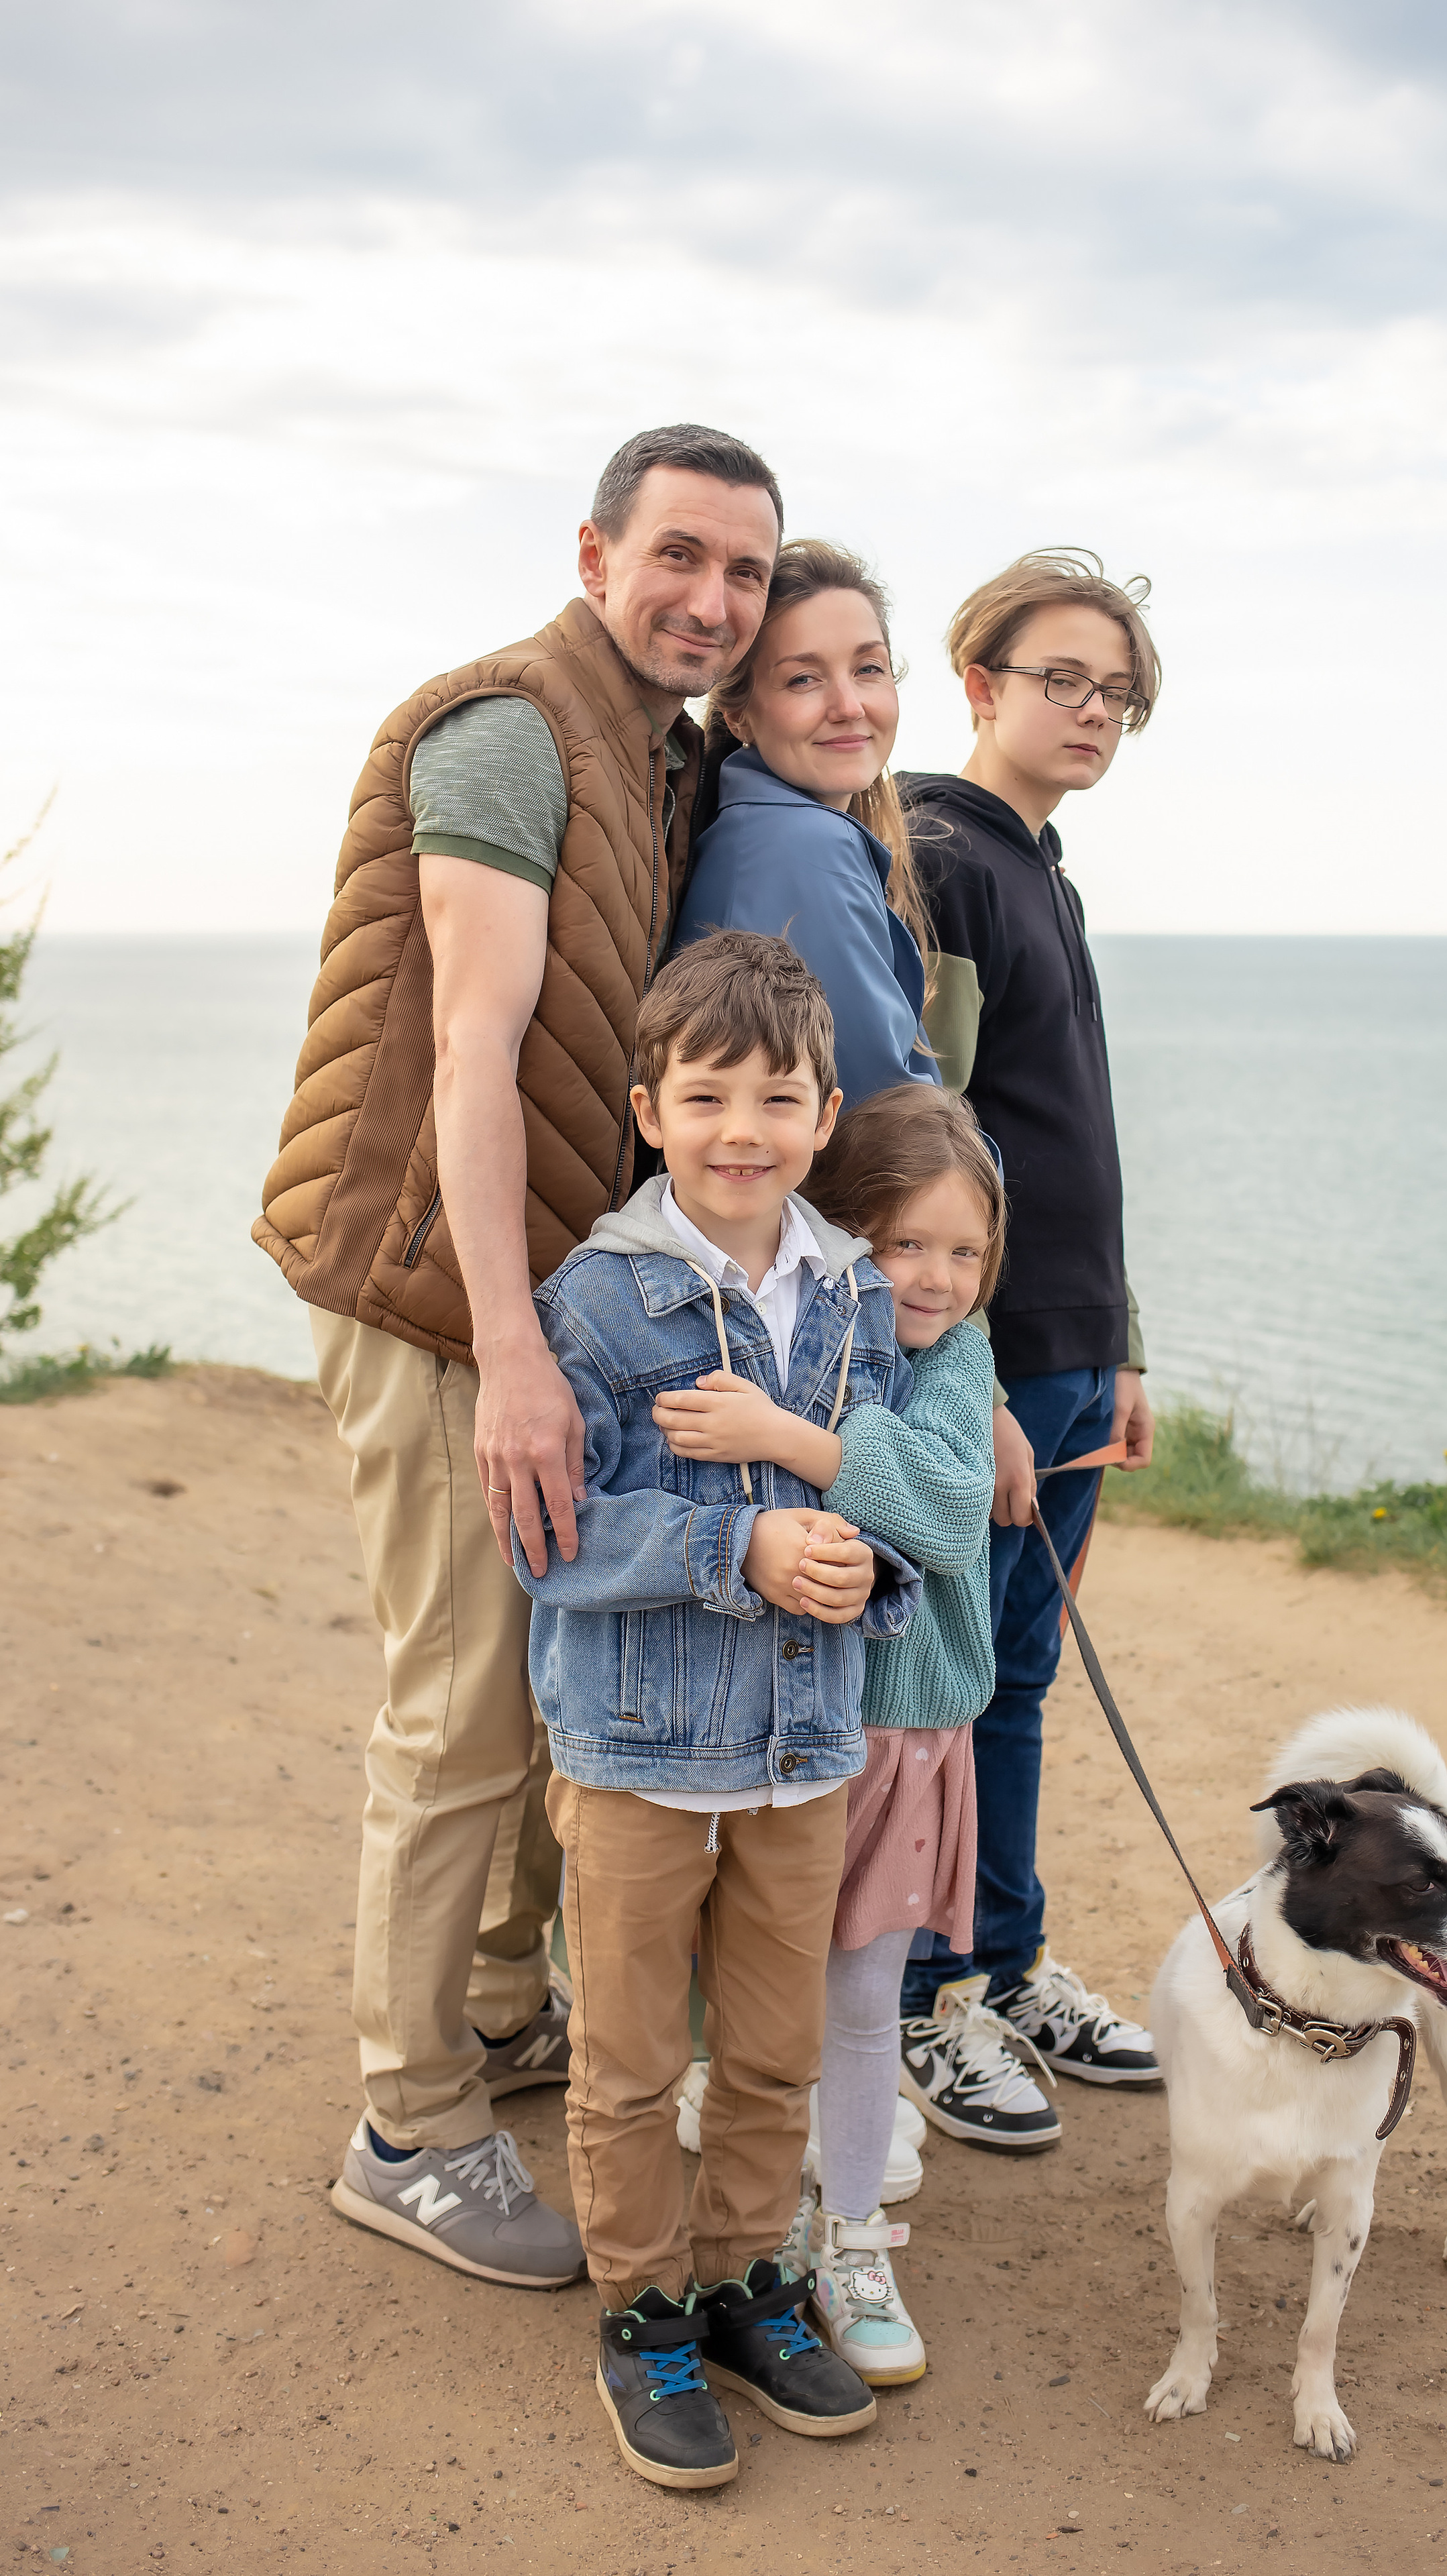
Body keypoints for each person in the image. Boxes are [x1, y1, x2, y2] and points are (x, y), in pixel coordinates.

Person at [252, 425, 784, 2285]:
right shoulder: (505, 729)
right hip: (429, 1288)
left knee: (541, 1688)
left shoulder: (651, 751)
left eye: (745, 572)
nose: (713, 600)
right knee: (461, 1708)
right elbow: (474, 1049)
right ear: (595, 551)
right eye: (683, 557)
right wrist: (514, 1349)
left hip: (517, 1297)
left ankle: (489, 2014)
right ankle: (409, 2124)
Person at [515, 931, 923, 2491]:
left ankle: (750, 2275)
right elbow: (542, 1536)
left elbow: (870, 1498)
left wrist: (849, 1566)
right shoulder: (597, 1301)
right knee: (626, 2058)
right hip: (632, 1759)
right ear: (647, 1108)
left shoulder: (853, 1297)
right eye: (706, 1094)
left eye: (776, 1095)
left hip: (803, 1754)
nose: (741, 1126)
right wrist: (734, 1547)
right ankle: (644, 2310)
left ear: (824, 1115)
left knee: (766, 2052)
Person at [657, 1083, 1002, 2386]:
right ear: (843, 1227)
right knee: (746, 1988)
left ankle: (852, 2237)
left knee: (861, 2002)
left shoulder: (959, 1362)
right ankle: (739, 2224)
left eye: (964, 1251)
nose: (934, 1277)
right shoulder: (810, 1324)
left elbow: (946, 1514)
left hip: (901, 1735)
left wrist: (792, 1442)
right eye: (905, 1242)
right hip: (778, 1725)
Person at [895, 551, 1165, 2142]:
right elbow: (928, 1148)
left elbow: (1073, 1139)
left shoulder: (1040, 865)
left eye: (1115, 693)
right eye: (1060, 677)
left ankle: (1001, 1962)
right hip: (992, 1365)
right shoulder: (943, 856)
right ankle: (931, 1997)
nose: (1091, 711)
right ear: (979, 680)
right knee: (943, 1683)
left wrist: (1113, 1337)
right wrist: (975, 1375)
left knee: (1014, 1679)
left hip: (1068, 1350)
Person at [667, 538, 939, 1111]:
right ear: (737, 713)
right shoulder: (805, 845)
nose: (849, 705)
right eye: (802, 680)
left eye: (869, 668)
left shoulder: (757, 832)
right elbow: (881, 1117)